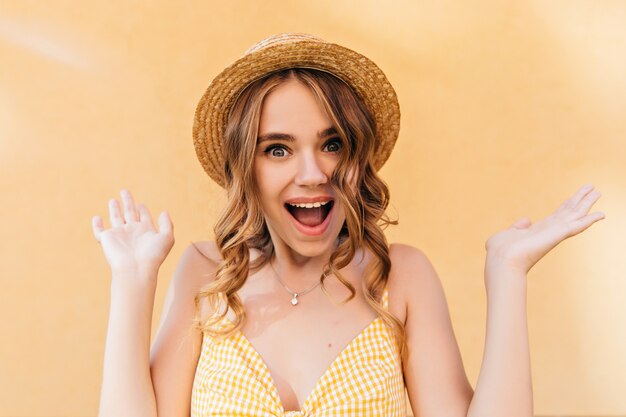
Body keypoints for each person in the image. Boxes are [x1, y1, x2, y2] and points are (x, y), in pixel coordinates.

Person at [91, 33, 605, 417]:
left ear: (356, 156)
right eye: (278, 149)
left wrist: (507, 273)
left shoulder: (400, 276)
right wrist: (132, 281)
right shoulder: (207, 273)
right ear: (247, 167)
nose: (313, 173)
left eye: (332, 143)